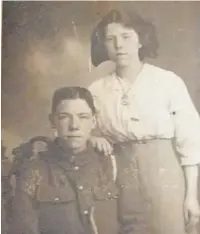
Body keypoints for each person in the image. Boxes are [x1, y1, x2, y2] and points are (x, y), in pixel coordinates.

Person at [88, 9, 200, 234]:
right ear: (105, 46)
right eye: (111, 39)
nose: (119, 45)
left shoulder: (167, 82)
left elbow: (191, 140)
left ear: (141, 40)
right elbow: (79, 131)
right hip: (121, 181)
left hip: (166, 180)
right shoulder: (96, 91)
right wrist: (93, 138)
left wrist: (191, 197)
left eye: (126, 37)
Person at [8, 86, 139, 234]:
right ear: (52, 121)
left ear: (94, 121)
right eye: (64, 117)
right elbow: (24, 229)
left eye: (83, 117)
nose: (74, 126)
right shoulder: (34, 171)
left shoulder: (114, 165)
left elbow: (135, 224)